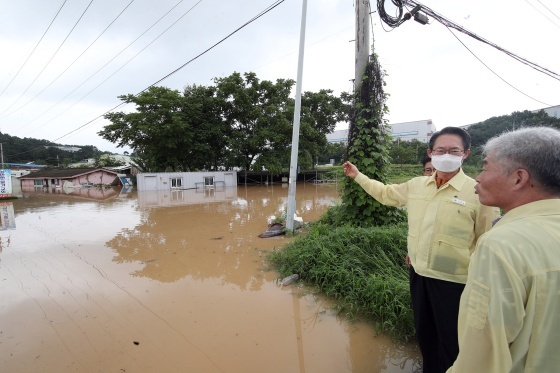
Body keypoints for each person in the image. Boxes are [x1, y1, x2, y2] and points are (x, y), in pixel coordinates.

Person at [343, 127, 499, 373]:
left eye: (453, 150)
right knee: (425, 335)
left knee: (452, 342)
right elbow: (385, 194)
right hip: (419, 274)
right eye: (440, 150)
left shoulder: (477, 191)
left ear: (465, 154)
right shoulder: (417, 185)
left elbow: (487, 239)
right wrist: (358, 176)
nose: (446, 154)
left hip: (456, 282)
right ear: (431, 152)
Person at [447, 126, 560, 372]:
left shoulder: (501, 245)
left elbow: (480, 358)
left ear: (519, 178)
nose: (478, 177)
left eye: (486, 167)